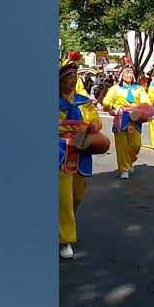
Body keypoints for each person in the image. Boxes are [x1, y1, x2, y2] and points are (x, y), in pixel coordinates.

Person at [59, 53, 108, 260]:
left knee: (76, 195)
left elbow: (95, 119)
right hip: (60, 153)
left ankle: (63, 223)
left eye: (74, 77)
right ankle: (65, 239)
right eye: (68, 77)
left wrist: (94, 125)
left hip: (82, 152)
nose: (72, 80)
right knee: (63, 198)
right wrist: (71, 129)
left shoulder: (82, 101)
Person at [102, 62, 152, 180]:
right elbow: (106, 102)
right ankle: (124, 168)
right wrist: (110, 109)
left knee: (136, 144)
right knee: (121, 145)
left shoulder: (139, 89)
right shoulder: (115, 89)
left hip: (135, 117)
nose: (129, 75)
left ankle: (130, 161)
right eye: (127, 72)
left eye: (131, 73)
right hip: (121, 117)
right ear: (121, 75)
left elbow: (147, 102)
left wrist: (143, 110)